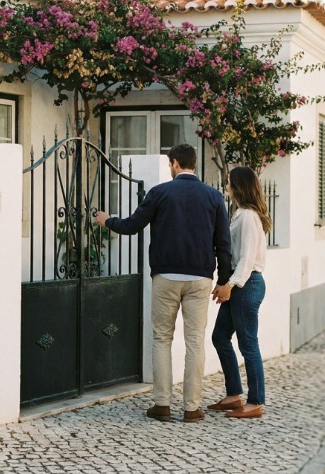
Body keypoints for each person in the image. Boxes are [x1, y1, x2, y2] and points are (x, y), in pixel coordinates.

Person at [96, 144, 231, 423]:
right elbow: (223, 244)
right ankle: (192, 408)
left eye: (171, 164)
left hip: (166, 276)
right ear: (194, 164)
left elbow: (132, 225)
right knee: (195, 341)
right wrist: (224, 280)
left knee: (162, 338)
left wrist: (107, 220)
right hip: (200, 279)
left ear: (174, 163)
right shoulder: (214, 197)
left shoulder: (159, 193)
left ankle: (162, 404)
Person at [208, 166, 269, 419]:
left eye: (229, 183)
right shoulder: (241, 214)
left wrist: (229, 286)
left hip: (246, 284)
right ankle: (234, 394)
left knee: (248, 344)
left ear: (238, 187)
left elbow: (245, 259)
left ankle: (255, 401)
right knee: (220, 337)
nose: (226, 187)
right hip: (241, 283)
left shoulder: (248, 217)